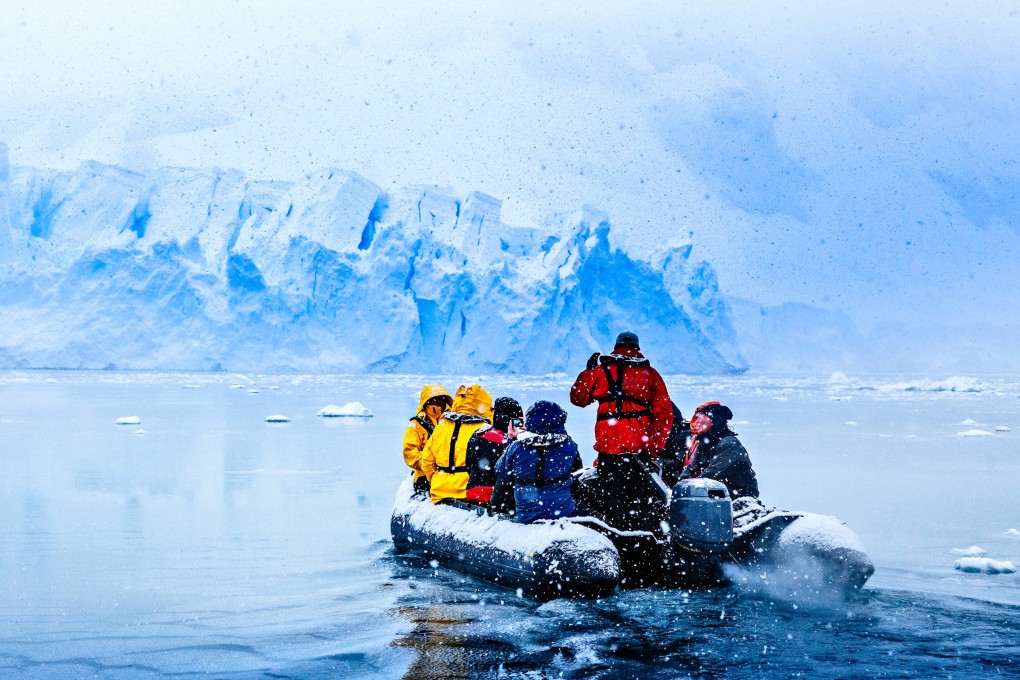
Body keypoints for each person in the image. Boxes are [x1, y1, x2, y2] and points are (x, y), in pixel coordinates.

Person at [569, 331, 673, 531]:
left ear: (616, 347)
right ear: (637, 347)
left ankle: (618, 538)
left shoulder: (601, 372)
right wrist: (653, 447)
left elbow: (578, 399)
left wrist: (587, 373)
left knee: (613, 502)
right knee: (642, 503)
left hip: (609, 451)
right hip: (639, 453)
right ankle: (644, 545)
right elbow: (664, 415)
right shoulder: (650, 375)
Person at [494, 400, 584, 523]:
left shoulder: (516, 447)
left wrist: (512, 439)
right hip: (563, 512)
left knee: (506, 482)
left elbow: (500, 471)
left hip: (526, 515)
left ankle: (498, 512)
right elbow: (577, 468)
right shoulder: (569, 445)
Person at [420, 384, 493, 504]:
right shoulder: (484, 430)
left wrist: (438, 480)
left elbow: (427, 462)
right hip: (467, 494)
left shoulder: (441, 427)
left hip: (440, 491)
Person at [680, 401, 759, 499]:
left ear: (714, 420)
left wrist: (687, 490)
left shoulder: (729, 444)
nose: (697, 422)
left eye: (702, 417)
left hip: (739, 494)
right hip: (719, 491)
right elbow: (691, 468)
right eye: (697, 418)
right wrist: (679, 485)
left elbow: (710, 475)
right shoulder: (704, 442)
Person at [464, 397, 523, 506]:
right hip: (496, 496)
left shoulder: (478, 433)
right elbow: (509, 474)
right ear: (510, 420)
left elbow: (468, 464)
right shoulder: (508, 442)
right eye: (517, 420)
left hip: (473, 491)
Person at [402, 385, 453, 492]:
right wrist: (429, 463)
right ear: (426, 401)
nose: (439, 402)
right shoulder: (415, 424)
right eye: (434, 400)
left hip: (449, 471)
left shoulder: (452, 421)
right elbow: (409, 453)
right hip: (424, 474)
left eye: (441, 399)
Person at [659, 401, 692, 488]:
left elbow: (679, 462)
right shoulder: (664, 432)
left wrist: (658, 463)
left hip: (677, 482)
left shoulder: (684, 434)